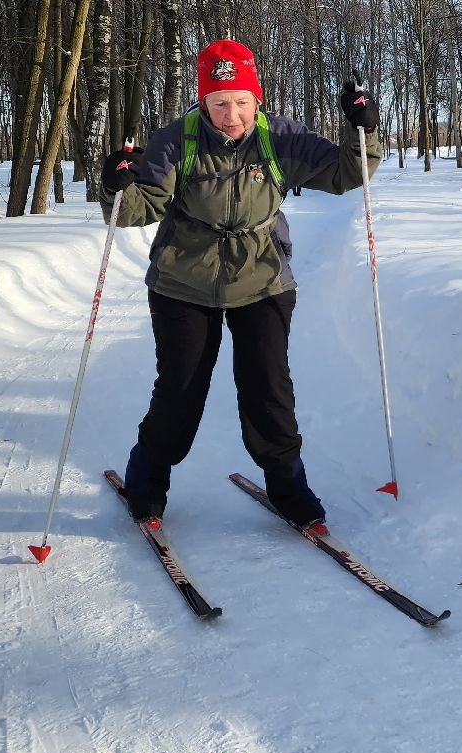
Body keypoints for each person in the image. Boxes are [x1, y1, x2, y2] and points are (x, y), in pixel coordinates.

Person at [100, 38, 380, 535]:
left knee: (268, 387)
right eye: (220, 102)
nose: (232, 115)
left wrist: (364, 128)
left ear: (258, 98)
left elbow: (345, 173)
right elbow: (138, 209)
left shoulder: (280, 137)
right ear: (203, 101)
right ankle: (145, 483)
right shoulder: (176, 141)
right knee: (180, 390)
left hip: (263, 278)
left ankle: (289, 486)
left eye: (242, 102)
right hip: (183, 280)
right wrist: (115, 185)